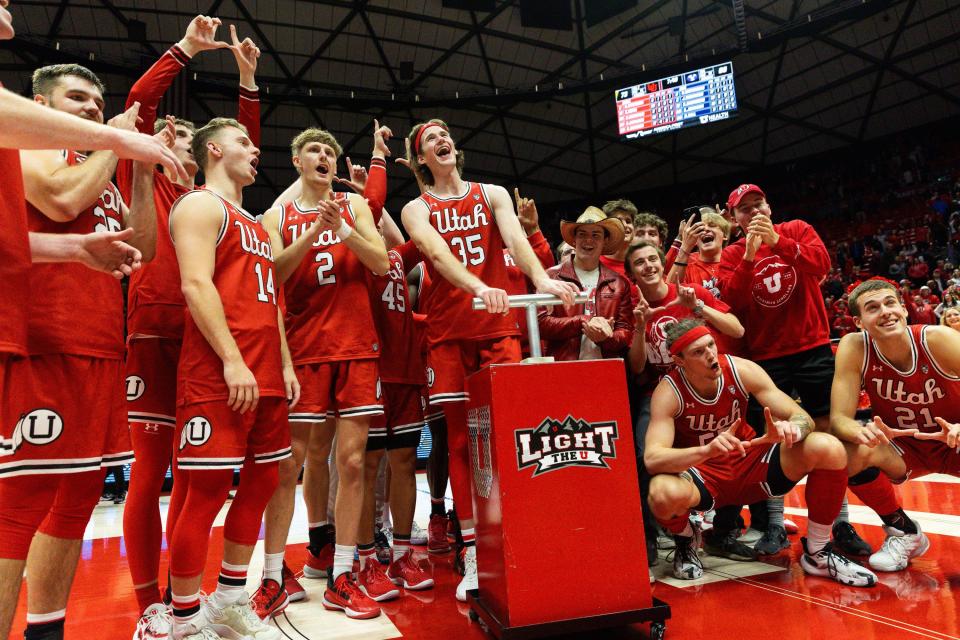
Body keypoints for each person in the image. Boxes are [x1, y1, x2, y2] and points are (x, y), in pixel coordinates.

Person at [116, 16, 264, 637]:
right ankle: (150, 601)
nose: (172, 135)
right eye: (166, 134)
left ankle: (192, 597)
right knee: (150, 473)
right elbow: (137, 107)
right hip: (155, 332)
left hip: (206, 337)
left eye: (182, 135)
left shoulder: (210, 202)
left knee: (197, 476)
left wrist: (248, 81)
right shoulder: (142, 176)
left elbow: (241, 144)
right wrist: (183, 50)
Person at [0, 62, 159, 640]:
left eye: (98, 100)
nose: (93, 108)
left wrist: (139, 174)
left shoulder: (101, 169)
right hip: (43, 341)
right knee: (18, 508)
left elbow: (140, 250)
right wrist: (116, 140)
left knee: (79, 495)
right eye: (77, 98)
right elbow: (62, 201)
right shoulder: (36, 147)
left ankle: (47, 631)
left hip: (98, 346)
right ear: (40, 103)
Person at [400, 118, 577, 601]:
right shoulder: (415, 207)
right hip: (449, 332)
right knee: (459, 441)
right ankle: (475, 553)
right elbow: (434, 253)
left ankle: (521, 538)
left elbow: (516, 240)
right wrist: (479, 286)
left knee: (510, 436)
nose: (442, 139)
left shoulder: (492, 191)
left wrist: (541, 280)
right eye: (429, 138)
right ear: (420, 159)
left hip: (498, 329)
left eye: (445, 133)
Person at [165, 118, 294, 640]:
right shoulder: (199, 204)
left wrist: (282, 364)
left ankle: (229, 599)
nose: (255, 148)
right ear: (213, 149)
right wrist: (232, 359)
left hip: (266, 372)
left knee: (263, 481)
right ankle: (183, 620)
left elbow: (273, 302)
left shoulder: (258, 224)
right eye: (244, 141)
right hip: (220, 372)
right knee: (208, 490)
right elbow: (195, 284)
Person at [258, 127, 388, 620]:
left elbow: (380, 263)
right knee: (288, 463)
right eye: (314, 149)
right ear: (296, 161)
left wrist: (346, 229)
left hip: (355, 346)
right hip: (304, 349)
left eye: (330, 151)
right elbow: (273, 273)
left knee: (351, 463)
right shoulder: (278, 214)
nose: (324, 156)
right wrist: (316, 231)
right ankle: (273, 576)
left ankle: (343, 574)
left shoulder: (353, 208)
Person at [645, 319, 877, 587]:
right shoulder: (668, 391)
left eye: (711, 345)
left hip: (750, 460)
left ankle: (818, 552)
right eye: (698, 351)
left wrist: (794, 429)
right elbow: (653, 458)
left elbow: (801, 417)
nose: (710, 354)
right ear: (679, 360)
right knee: (661, 492)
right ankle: (686, 539)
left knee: (828, 447)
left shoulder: (741, 369)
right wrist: (705, 450)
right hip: (703, 473)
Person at [716, 183, 870, 558]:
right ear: (733, 218)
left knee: (832, 433)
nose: (753, 212)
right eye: (744, 209)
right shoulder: (732, 253)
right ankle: (773, 523)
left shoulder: (797, 229)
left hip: (813, 347)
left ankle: (840, 522)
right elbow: (729, 304)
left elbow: (821, 265)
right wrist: (750, 258)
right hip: (765, 358)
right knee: (776, 437)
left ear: (769, 206)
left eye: (758, 204)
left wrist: (779, 242)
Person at [831, 278, 960, 573]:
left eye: (891, 303)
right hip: (905, 447)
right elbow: (839, 419)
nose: (885, 312)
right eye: (873, 308)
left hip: (954, 441)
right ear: (858, 321)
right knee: (845, 452)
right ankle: (904, 531)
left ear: (903, 308)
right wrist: (862, 432)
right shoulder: (855, 346)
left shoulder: (938, 338)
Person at [539, 207, 632, 361]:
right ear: (574, 240)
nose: (588, 240)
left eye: (596, 235)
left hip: (606, 371)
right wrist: (582, 321)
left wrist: (605, 337)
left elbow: (625, 332)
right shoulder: (551, 277)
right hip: (564, 369)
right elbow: (540, 325)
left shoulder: (619, 283)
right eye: (582, 234)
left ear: (605, 241)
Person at [599, 199, 637, 279]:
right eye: (618, 221)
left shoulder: (641, 262)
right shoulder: (594, 262)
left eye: (628, 221)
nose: (625, 225)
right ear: (606, 228)